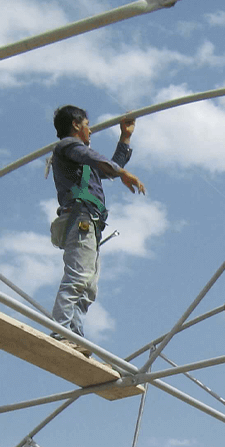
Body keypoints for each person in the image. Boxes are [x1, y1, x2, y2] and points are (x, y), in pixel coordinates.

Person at [48, 105, 146, 356]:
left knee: (88, 287)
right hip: (80, 219)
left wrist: (125, 137)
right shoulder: (67, 147)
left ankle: (75, 337)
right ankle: (60, 332)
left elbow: (108, 167)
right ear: (76, 125)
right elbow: (97, 160)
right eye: (87, 124)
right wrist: (124, 173)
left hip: (90, 223)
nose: (90, 130)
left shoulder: (82, 160)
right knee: (78, 278)